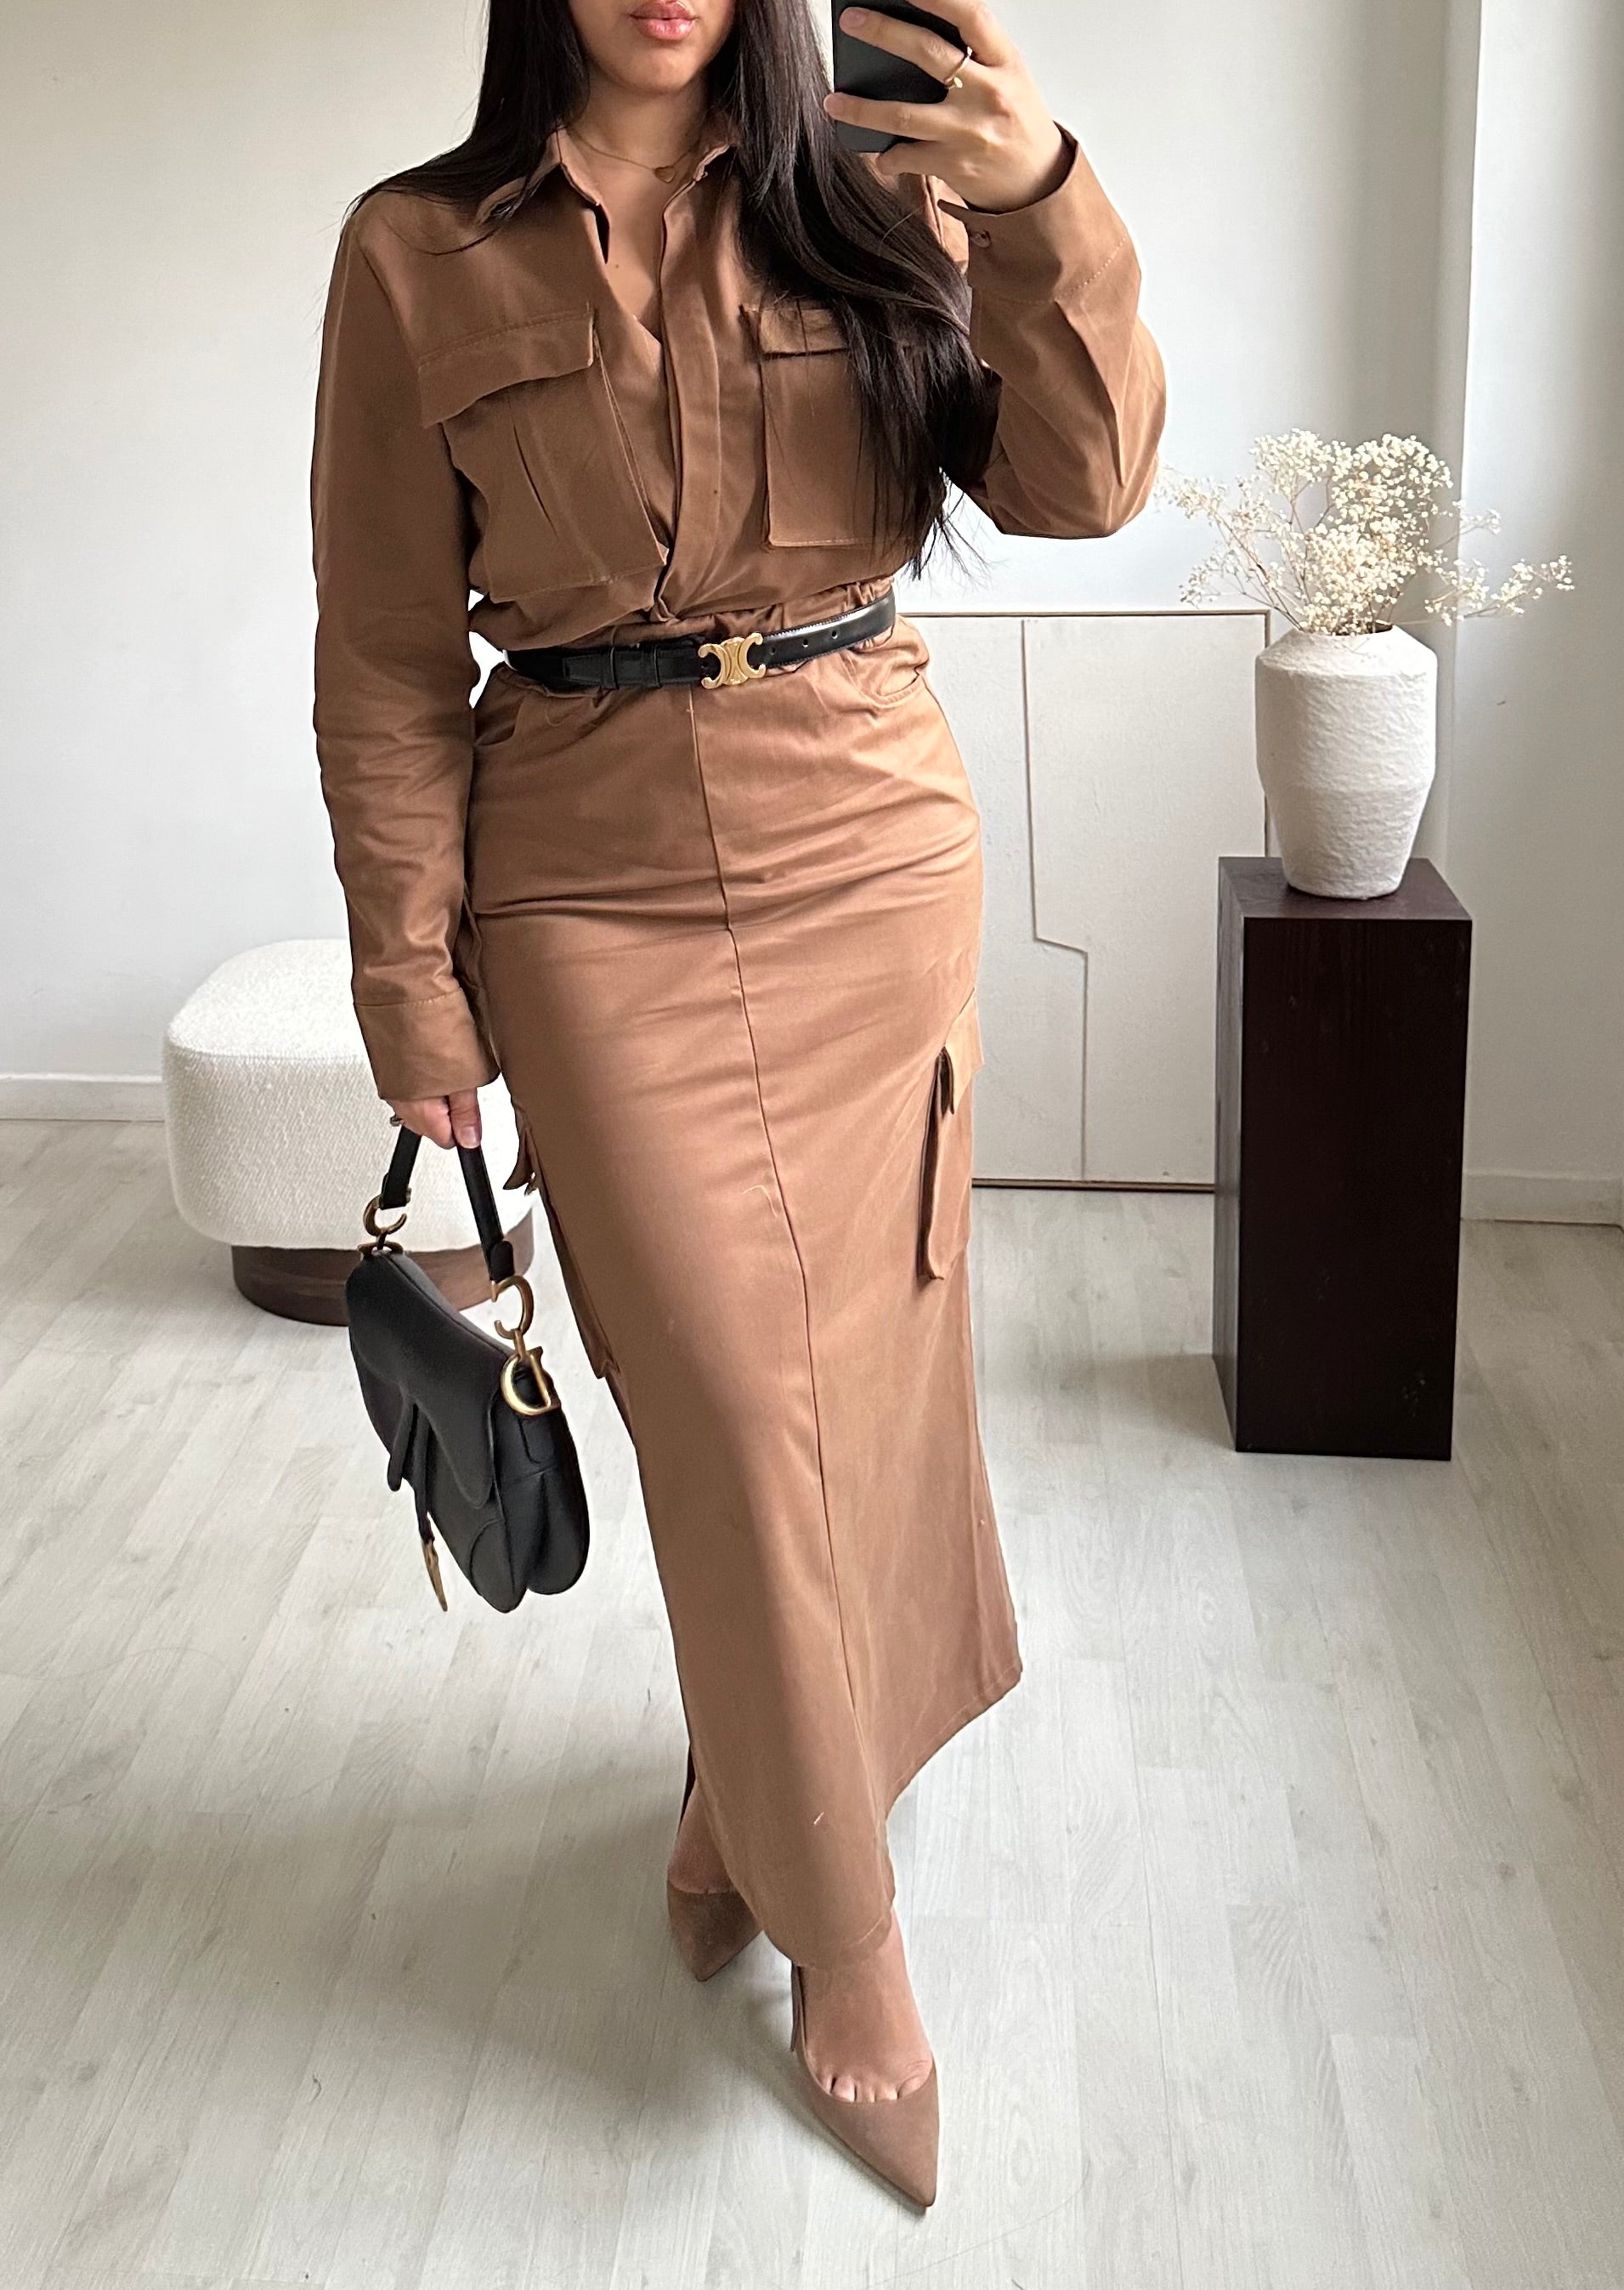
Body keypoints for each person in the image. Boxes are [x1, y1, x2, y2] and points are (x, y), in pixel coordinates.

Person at [310, 0, 1163, 2208]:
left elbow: (1082, 485)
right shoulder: (415, 251)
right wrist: (410, 977)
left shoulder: (878, 191)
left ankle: (742, 1800)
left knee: (862, 1382)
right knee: (714, 1392)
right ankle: (849, 1936)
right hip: (585, 885)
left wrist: (1044, 199)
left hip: (865, 846)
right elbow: (387, 655)